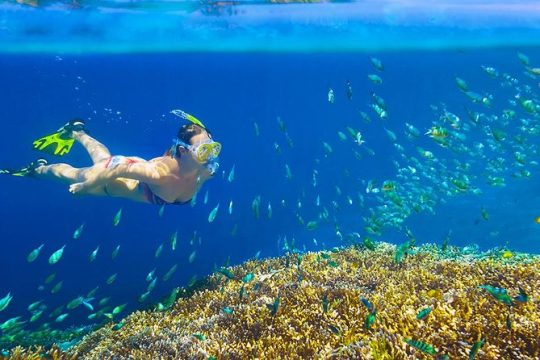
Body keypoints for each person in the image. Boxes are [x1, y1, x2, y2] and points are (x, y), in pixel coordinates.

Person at [3, 111, 221, 205]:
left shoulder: (205, 170)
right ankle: (37, 169)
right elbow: (116, 169)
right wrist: (86, 187)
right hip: (113, 182)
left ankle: (77, 132)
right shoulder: (159, 174)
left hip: (129, 170)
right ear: (183, 152)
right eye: (204, 150)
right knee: (73, 175)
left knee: (102, 158)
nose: (210, 155)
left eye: (213, 148)